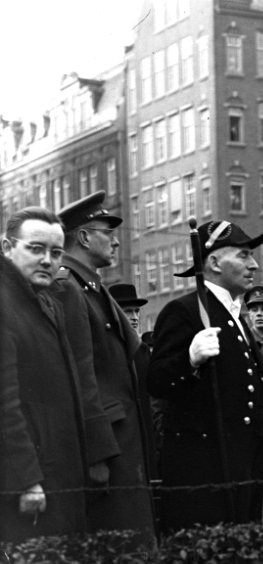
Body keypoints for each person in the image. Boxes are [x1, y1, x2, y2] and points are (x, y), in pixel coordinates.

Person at [146, 219, 263, 530]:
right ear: (215, 262)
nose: (254, 265)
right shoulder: (185, 311)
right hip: (208, 470)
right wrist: (188, 360)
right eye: (244, 256)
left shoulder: (234, 316)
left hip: (245, 466)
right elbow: (157, 381)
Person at [58, 190, 155, 540]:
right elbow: (80, 375)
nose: (115, 243)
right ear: (83, 237)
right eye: (107, 233)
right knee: (118, 550)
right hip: (107, 448)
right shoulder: (69, 288)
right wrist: (96, 454)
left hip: (121, 440)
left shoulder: (92, 287)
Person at [0, 207, 88, 541]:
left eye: (55, 252)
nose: (47, 260)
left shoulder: (42, 300)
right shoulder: (6, 304)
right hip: (29, 484)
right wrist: (27, 479)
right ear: (8, 248)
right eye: (35, 249)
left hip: (55, 473)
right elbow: (5, 403)